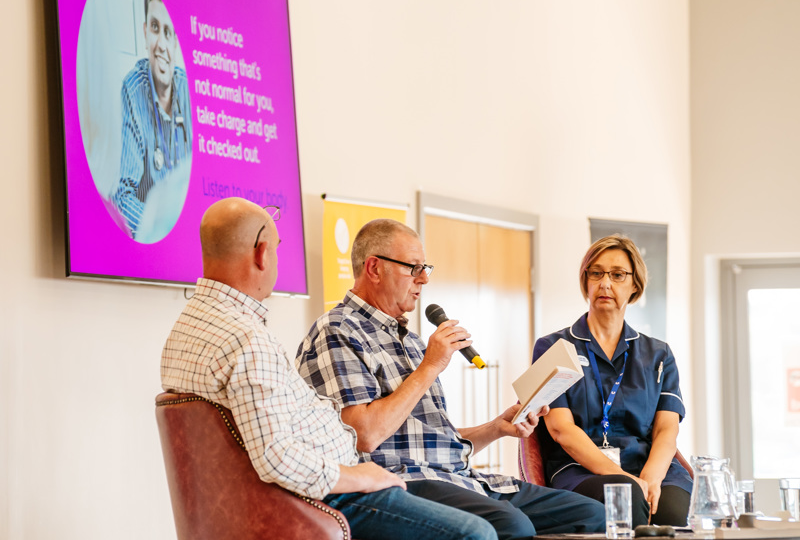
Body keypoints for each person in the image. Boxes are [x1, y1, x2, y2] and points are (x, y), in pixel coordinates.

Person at [160, 198, 496, 540]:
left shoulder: (185, 332)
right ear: (262, 254)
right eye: (277, 250)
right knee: (476, 533)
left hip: (302, 491)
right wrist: (362, 477)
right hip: (330, 495)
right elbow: (278, 457)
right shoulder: (247, 340)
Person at [296, 219, 606, 540]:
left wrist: (497, 428)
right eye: (413, 268)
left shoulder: (412, 341)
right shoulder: (337, 331)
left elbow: (429, 439)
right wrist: (430, 366)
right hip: (403, 482)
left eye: (425, 267)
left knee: (595, 515)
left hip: (460, 479)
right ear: (374, 268)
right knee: (512, 526)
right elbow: (364, 436)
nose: (424, 279)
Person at [532, 234, 692, 527]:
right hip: (581, 469)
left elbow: (667, 429)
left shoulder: (659, 353)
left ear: (634, 285)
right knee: (626, 497)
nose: (605, 283)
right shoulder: (552, 347)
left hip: (649, 466)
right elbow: (560, 429)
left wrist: (650, 478)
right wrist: (627, 479)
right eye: (596, 273)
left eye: (617, 275)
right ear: (586, 281)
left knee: (671, 513)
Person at [114, 0, 192, 239]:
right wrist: (164, 234)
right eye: (156, 28)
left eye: (168, 33)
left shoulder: (189, 91)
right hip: (152, 248)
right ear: (145, 31)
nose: (161, 44)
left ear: (177, 43)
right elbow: (122, 197)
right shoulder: (133, 89)